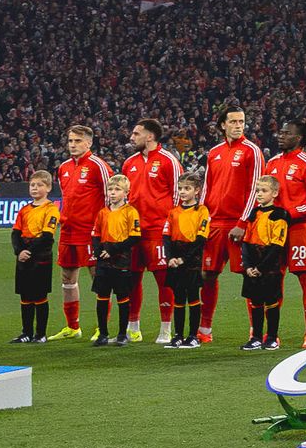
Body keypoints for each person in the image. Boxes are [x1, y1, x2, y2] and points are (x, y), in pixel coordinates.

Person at [200, 110, 264, 347]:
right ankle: (204, 327)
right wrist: (202, 218)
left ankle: (255, 331)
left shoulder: (252, 151)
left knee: (249, 275)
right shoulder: (214, 153)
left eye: (242, 122)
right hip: (214, 223)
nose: (238, 126)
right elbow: (207, 188)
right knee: (207, 275)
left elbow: (256, 191)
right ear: (222, 125)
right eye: (234, 122)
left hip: (239, 223)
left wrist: (243, 222)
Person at [266, 117, 306, 345]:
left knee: (305, 277)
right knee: (272, 278)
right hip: (273, 229)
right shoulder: (271, 163)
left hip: (298, 228)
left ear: (298, 138)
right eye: (280, 132)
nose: (281, 136)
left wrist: (291, 213)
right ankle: (271, 333)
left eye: (286, 133)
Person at [120, 122, 179, 344]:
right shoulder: (129, 163)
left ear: (150, 135)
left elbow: (177, 196)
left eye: (136, 133)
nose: (132, 136)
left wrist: (171, 228)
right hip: (133, 232)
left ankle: (166, 329)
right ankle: (133, 327)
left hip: (158, 230)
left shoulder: (168, 161)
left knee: (164, 280)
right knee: (131, 279)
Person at [52, 126, 109, 340]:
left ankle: (101, 328)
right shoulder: (64, 168)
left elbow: (109, 197)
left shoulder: (98, 166)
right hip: (68, 230)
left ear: (89, 143)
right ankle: (72, 327)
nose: (72, 145)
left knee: (98, 278)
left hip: (90, 232)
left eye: (77, 141)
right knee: (67, 277)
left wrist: (103, 230)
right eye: (70, 141)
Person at [234, 167, 293, 352]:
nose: (259, 194)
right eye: (257, 190)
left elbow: (277, 245)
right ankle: (256, 337)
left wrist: (261, 267)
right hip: (253, 264)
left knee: (271, 302)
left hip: (270, 266)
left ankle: (272, 337)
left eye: (264, 190)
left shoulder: (280, 215)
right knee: (256, 302)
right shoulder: (253, 214)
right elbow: (245, 242)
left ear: (274, 193)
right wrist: (249, 266)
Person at [158, 166, 214, 351]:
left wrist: (184, 258)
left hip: (192, 261)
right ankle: (178, 335)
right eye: (180, 188)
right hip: (175, 260)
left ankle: (192, 336)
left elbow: (201, 239)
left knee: (192, 296)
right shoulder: (173, 212)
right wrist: (171, 258)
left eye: (187, 188)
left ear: (197, 190)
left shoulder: (202, 211)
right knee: (178, 297)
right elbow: (166, 237)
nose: (182, 192)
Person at [88, 167, 145, 347]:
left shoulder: (130, 212)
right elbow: (95, 234)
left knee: (122, 298)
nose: (113, 193)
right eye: (110, 189)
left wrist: (113, 249)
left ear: (126, 192)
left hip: (121, 260)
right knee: (102, 297)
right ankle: (103, 333)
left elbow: (135, 237)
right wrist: (98, 252)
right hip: (104, 261)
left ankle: (122, 334)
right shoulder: (102, 212)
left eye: (117, 189)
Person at [9, 168, 60, 344]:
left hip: (40, 258)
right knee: (25, 296)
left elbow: (47, 236)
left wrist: (28, 252)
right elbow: (15, 233)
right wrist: (19, 251)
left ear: (48, 188)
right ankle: (26, 332)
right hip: (24, 258)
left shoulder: (51, 210)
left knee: (39, 296)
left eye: (39, 185)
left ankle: (40, 334)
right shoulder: (24, 210)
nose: (35, 188)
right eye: (32, 185)